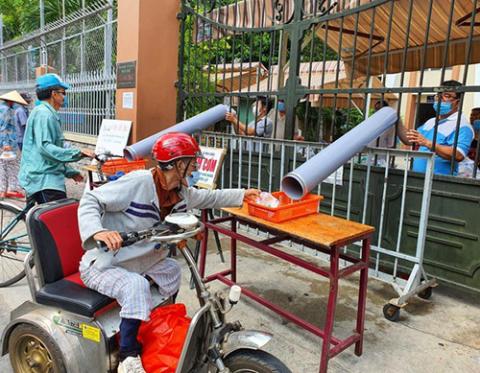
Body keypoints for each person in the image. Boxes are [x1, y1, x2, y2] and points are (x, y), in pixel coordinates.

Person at [78, 132, 260, 373]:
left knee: (172, 270)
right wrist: (98, 232)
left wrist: (241, 194)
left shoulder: (181, 192)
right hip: (105, 264)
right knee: (136, 287)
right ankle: (128, 356)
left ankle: (154, 323)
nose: (196, 165)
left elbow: (209, 197)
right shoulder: (139, 182)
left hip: (140, 263)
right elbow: (91, 199)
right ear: (177, 164)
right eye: (192, 160)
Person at [18, 73, 94, 204]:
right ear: (54, 94)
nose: (64, 97)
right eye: (63, 92)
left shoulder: (43, 112)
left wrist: (70, 172)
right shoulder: (45, 114)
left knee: (40, 222)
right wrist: (78, 152)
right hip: (45, 181)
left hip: (40, 178)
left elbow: (50, 156)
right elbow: (46, 149)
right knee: (58, 221)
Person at [396, 80, 474, 175]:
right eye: (439, 95)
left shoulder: (462, 126)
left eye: (447, 96)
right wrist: (397, 121)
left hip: (439, 182)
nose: (440, 99)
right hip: (418, 178)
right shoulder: (431, 122)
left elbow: (458, 155)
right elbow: (409, 140)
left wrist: (427, 143)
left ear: (458, 102)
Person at [0, 91, 28, 199]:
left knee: (3, 165)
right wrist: (6, 143)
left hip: (3, 142)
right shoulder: (7, 110)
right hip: (9, 142)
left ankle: (3, 189)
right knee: (13, 165)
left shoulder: (2, 108)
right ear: (11, 101)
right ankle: (11, 188)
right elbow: (3, 127)